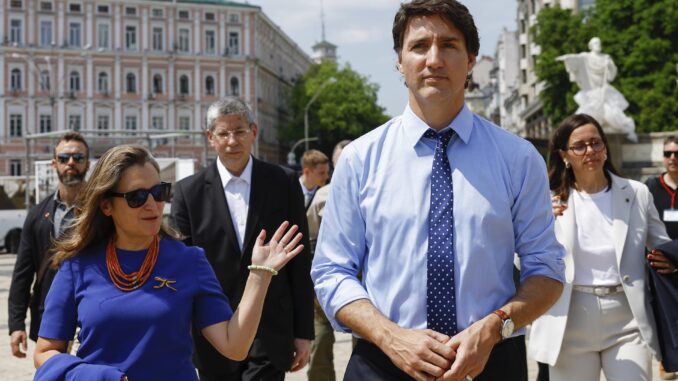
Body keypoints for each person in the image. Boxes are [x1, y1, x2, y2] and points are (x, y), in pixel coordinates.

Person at [311, 1, 565, 380]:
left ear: (471, 58)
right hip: (384, 361)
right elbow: (331, 271)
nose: (434, 59)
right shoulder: (360, 159)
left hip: (491, 358)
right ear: (399, 59)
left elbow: (546, 269)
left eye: (449, 45)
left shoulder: (518, 158)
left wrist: (495, 327)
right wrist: (392, 337)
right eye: (419, 46)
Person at [32, 145, 304, 381]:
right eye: (136, 197)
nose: (152, 205)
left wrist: (260, 274)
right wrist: (96, 376)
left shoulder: (189, 260)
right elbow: (45, 353)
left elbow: (234, 346)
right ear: (106, 205)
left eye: (158, 192)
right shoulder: (77, 265)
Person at [171, 97, 314, 380]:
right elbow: (181, 270)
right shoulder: (188, 192)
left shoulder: (283, 183)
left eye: (239, 131)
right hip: (213, 328)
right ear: (210, 138)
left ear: (254, 132)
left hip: (270, 328)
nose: (232, 140)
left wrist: (303, 332)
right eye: (223, 133)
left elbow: (299, 262)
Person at [528, 113, 675, 381]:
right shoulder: (546, 202)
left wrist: (672, 260)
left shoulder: (637, 193)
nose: (590, 151)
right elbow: (522, 262)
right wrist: (540, 223)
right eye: (579, 146)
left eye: (596, 143)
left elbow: (662, 243)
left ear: (605, 147)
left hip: (628, 319)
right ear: (564, 155)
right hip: (568, 319)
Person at [8, 132, 90, 359]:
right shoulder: (37, 215)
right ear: (55, 164)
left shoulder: (103, 210)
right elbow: (22, 273)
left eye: (78, 157)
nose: (71, 163)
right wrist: (16, 324)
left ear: (88, 163)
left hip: (91, 314)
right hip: (50, 315)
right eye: (64, 158)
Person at [306, 139, 351, 381]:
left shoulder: (374, 192)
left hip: (367, 283)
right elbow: (310, 235)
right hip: (328, 284)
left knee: (367, 348)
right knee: (321, 342)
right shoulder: (322, 196)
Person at [557, 37, 637, 141]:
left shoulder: (606, 58)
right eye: (595, 43)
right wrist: (568, 58)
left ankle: (625, 131)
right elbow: (576, 59)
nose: (597, 45)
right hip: (591, 93)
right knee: (585, 116)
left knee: (612, 114)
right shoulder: (586, 57)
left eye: (599, 43)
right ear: (591, 46)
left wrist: (610, 66)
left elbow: (611, 76)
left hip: (604, 91)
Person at [645, 135, 678, 380]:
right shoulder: (650, 188)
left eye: (677, 153)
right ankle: (666, 361)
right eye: (668, 154)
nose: (673, 158)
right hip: (658, 267)